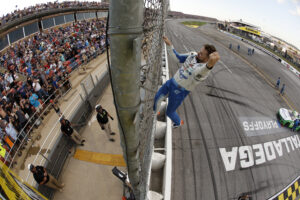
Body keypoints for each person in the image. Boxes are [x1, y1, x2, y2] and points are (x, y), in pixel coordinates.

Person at [153, 36, 220, 128]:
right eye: (200, 51)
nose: (198, 53)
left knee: (170, 112)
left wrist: (209, 66)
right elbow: (178, 58)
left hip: (180, 92)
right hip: (171, 82)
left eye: (202, 54)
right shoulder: (192, 55)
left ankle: (178, 122)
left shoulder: (204, 71)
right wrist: (169, 45)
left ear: (207, 59)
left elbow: (199, 73)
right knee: (157, 97)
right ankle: (154, 114)